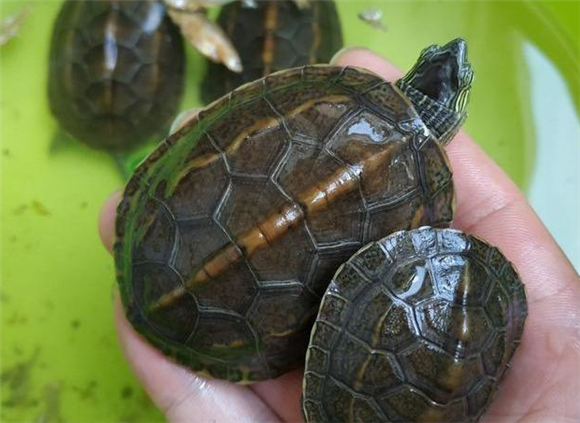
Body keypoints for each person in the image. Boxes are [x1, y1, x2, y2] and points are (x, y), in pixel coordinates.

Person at [98, 47, 580, 423]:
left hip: (162, 241)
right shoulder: (427, 206)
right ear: (451, 125)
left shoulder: (342, 95)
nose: (455, 52)